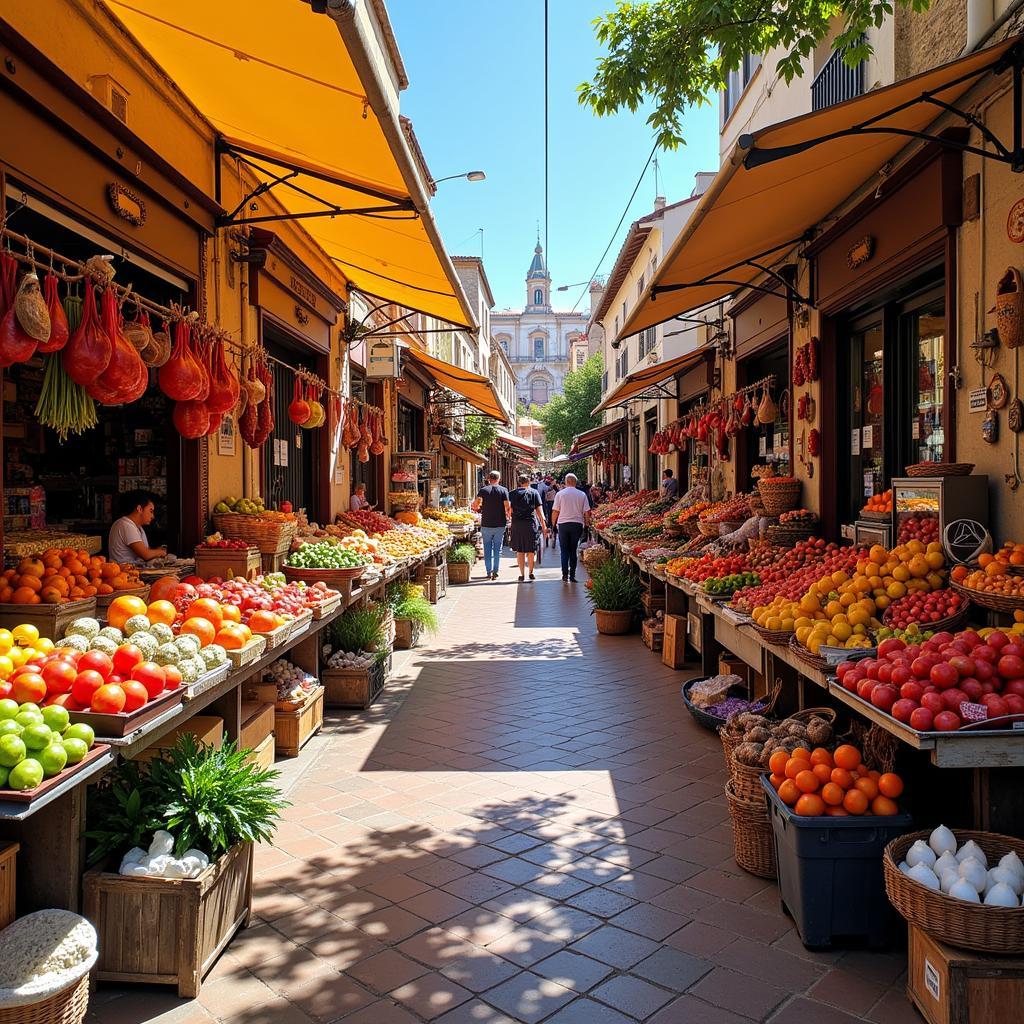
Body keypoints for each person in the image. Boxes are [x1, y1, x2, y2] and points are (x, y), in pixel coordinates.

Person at [550, 473, 591, 583]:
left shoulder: (560, 494)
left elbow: (555, 511)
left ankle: (564, 575)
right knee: (573, 550)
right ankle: (572, 575)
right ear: (575, 482)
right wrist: (586, 525)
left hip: (563, 524)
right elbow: (587, 512)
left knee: (564, 550)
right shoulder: (582, 494)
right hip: (577, 524)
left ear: (566, 482)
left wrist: (553, 525)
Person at [471, 470, 511, 580]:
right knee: (497, 550)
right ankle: (495, 571)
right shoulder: (503, 490)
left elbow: (475, 505)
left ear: (489, 478)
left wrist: (478, 507)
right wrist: (508, 515)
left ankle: (488, 572)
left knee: (487, 549)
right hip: (500, 524)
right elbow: (507, 507)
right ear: (499, 479)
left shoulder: (483, 490)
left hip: (486, 524)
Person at [108, 489, 165, 564]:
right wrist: (162, 552)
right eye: (151, 511)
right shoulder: (125, 525)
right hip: (126, 572)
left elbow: (146, 550)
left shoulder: (137, 527)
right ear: (139, 509)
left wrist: (157, 551)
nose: (152, 516)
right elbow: (146, 554)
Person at [508, 473, 547, 582]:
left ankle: (521, 574)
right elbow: (540, 511)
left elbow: (508, 510)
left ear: (519, 482)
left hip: (517, 524)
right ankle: (531, 572)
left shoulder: (511, 494)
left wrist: (510, 518)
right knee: (531, 550)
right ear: (528, 482)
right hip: (530, 524)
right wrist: (543, 525)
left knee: (520, 550)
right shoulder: (534, 493)